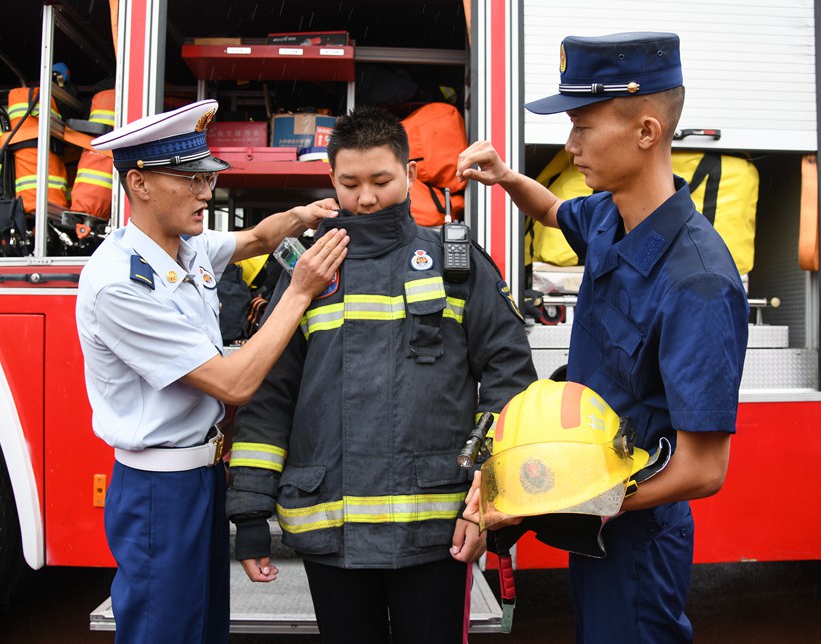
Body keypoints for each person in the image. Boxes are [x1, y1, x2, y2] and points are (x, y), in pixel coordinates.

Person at [457, 32, 749, 642]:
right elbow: (550, 212)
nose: (570, 146)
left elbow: (704, 469)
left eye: (583, 128)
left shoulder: (697, 281)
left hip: (639, 540)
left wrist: (558, 498)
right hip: (597, 523)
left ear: (647, 131)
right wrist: (506, 177)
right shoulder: (609, 215)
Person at [226, 105, 538, 643]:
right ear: (331, 180)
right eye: (350, 183)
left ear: (411, 174)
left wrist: (489, 493)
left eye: (381, 180)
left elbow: (510, 384)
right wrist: (250, 513)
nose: (365, 198)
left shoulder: (456, 263)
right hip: (333, 536)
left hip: (436, 532)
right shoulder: (304, 271)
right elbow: (270, 394)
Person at [75, 99, 349, 644]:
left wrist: (304, 214)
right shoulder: (121, 285)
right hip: (159, 491)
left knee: (203, 630)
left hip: (201, 477)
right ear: (140, 183)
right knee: (164, 631)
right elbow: (235, 383)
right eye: (190, 179)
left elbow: (256, 240)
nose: (206, 192)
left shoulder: (183, 245)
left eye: (207, 177)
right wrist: (299, 292)